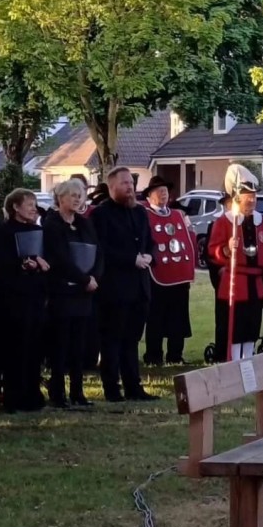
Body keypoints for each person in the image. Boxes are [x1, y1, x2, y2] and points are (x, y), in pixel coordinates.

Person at [91, 166, 156, 402]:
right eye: (125, 183)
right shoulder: (101, 214)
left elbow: (151, 241)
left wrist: (150, 256)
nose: (130, 187)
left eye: (131, 182)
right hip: (115, 288)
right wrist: (131, 259)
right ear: (112, 187)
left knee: (132, 340)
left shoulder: (140, 212)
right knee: (112, 340)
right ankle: (112, 388)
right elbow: (101, 249)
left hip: (140, 287)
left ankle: (133, 386)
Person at [0, 189, 50, 412]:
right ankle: (14, 396)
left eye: (35, 204)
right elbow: (1, 263)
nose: (34, 208)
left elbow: (46, 258)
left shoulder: (38, 230)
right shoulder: (4, 232)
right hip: (12, 300)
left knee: (35, 348)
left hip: (35, 297)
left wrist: (42, 264)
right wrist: (25, 263)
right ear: (15, 207)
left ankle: (33, 394)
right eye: (29, 204)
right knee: (15, 349)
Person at [42, 180, 101, 407]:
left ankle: (78, 392)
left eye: (81, 195)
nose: (78, 199)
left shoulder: (85, 224)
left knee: (79, 345)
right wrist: (84, 279)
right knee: (60, 346)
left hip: (84, 293)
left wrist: (94, 277)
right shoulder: (52, 225)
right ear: (61, 198)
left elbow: (98, 251)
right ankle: (58, 393)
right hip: (62, 293)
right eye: (73, 195)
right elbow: (59, 258)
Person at [208, 179, 263, 361]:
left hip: (256, 283)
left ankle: (249, 358)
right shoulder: (224, 222)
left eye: (254, 197)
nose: (252, 201)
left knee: (252, 323)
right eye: (248, 197)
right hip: (235, 283)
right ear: (239, 198)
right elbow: (213, 251)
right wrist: (227, 248)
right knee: (235, 325)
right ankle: (234, 360)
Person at [140, 175, 196, 365]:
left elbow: (188, 241)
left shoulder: (177, 215)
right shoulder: (144, 215)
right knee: (155, 317)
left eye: (165, 190)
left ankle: (175, 355)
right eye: (159, 191)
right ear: (149, 196)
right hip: (157, 274)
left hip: (179, 275)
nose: (163, 194)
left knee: (178, 317)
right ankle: (154, 356)